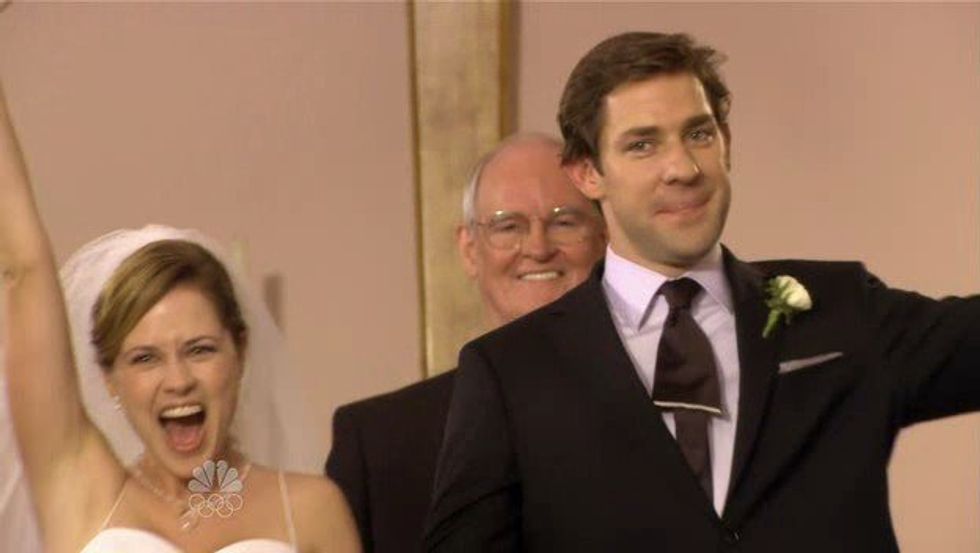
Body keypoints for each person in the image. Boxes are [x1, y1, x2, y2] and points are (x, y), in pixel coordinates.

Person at [424, 32, 980, 552]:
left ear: (726, 144)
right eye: (643, 145)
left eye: (699, 134)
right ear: (587, 173)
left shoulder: (841, 308)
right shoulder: (510, 372)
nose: (682, 168)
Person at [0, 88, 360, 552]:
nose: (178, 381)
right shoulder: (78, 490)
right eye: (145, 358)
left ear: (240, 351)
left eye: (200, 349)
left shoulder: (312, 510)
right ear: (109, 378)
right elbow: (22, 270)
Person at [326, 133, 606, 552]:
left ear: (604, 237)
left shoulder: (660, 403)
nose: (537, 247)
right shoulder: (378, 443)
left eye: (564, 222)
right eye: (508, 226)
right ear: (470, 250)